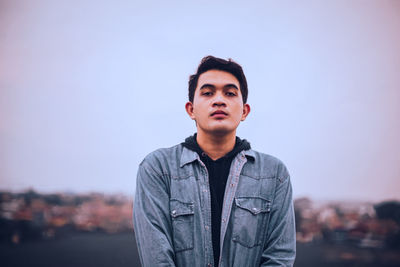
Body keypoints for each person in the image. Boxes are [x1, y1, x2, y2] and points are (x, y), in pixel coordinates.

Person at [133, 55, 296, 267]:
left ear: (244, 111)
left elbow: (279, 258)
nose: (219, 100)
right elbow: (156, 259)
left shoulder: (274, 174)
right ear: (191, 109)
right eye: (208, 93)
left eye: (230, 93)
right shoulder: (158, 168)